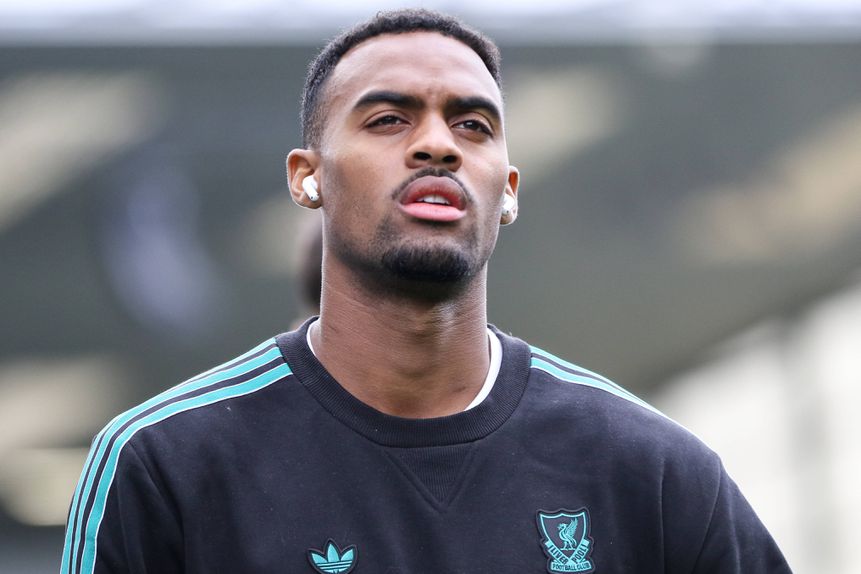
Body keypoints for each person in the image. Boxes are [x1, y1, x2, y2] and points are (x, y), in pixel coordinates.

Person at [61, 9, 791, 574]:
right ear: (307, 178)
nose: (438, 144)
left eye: (472, 125)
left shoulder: (654, 472)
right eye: (388, 119)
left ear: (508, 190)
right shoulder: (165, 463)